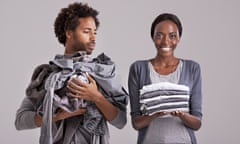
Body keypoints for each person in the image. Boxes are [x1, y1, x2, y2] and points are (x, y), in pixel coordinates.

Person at [15, 2, 128, 144]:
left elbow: (121, 121)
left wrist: (96, 96)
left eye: (95, 32)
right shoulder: (49, 76)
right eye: (87, 32)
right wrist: (56, 116)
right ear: (69, 33)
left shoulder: (101, 73)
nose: (93, 38)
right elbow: (20, 121)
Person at [128, 13, 202, 144]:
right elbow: (136, 123)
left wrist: (181, 114)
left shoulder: (192, 68)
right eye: (159, 35)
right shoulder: (138, 69)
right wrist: (155, 114)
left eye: (172, 36)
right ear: (152, 37)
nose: (166, 41)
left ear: (179, 38)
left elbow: (197, 123)